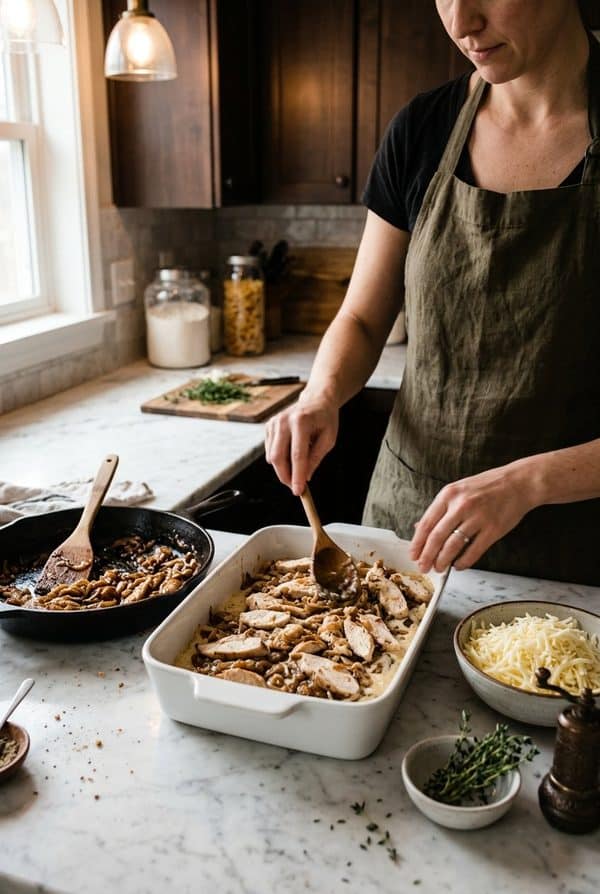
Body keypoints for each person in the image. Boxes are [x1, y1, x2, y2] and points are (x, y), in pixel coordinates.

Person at [265, 0, 600, 587]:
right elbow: (365, 318)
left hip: (570, 557)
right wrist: (321, 395)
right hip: (409, 533)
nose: (460, 22)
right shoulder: (422, 129)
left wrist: (527, 482)